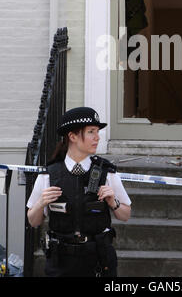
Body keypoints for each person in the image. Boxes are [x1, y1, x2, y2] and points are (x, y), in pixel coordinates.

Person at [26, 107, 131, 277]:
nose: (97, 137)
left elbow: (125, 215)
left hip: (98, 259)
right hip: (61, 261)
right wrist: (41, 203)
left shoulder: (107, 172)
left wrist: (113, 202)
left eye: (97, 131)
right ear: (72, 136)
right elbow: (33, 221)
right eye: (91, 132)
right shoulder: (49, 174)